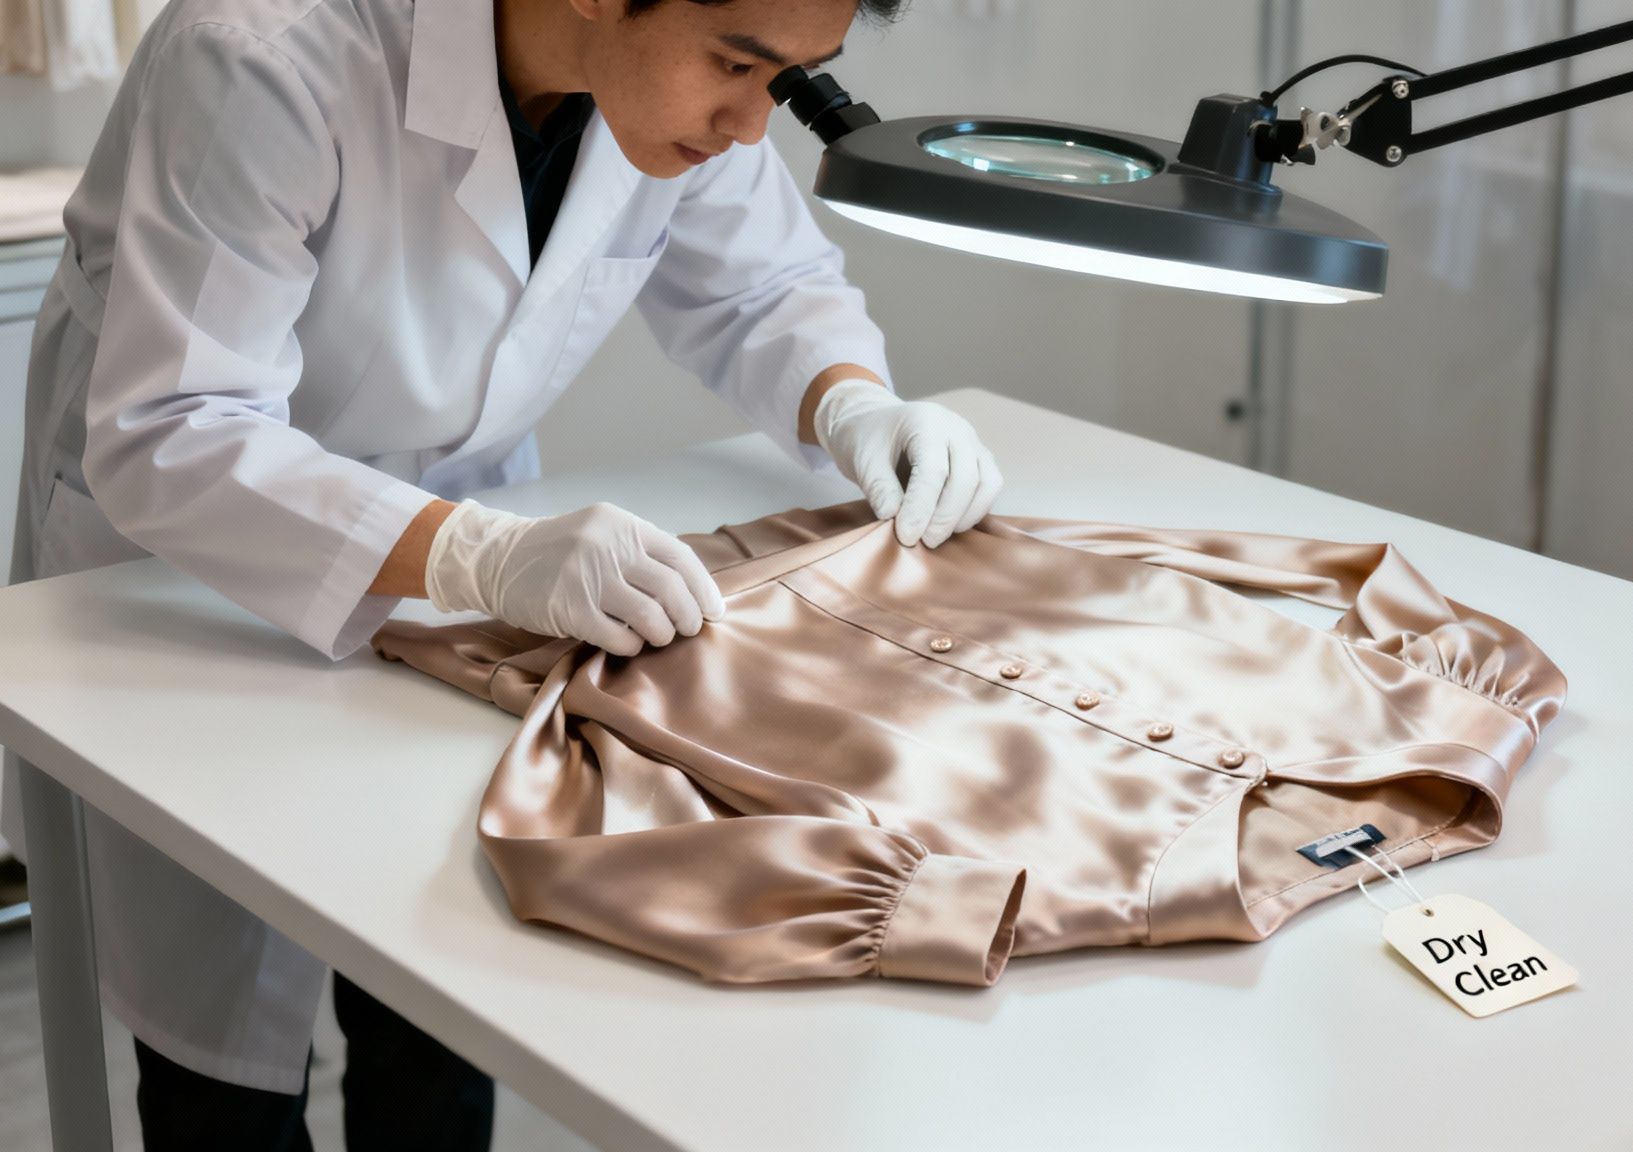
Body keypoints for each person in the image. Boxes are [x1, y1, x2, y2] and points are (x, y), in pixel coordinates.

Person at [3, 0, 1001, 1144]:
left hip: (469, 563)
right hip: (198, 568)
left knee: (438, 997)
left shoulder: (680, 77)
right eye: (737, 64)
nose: (747, 125)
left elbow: (762, 288)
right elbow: (177, 430)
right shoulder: (262, 51)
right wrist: (476, 552)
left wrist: (854, 403)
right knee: (226, 1076)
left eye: (788, 80)